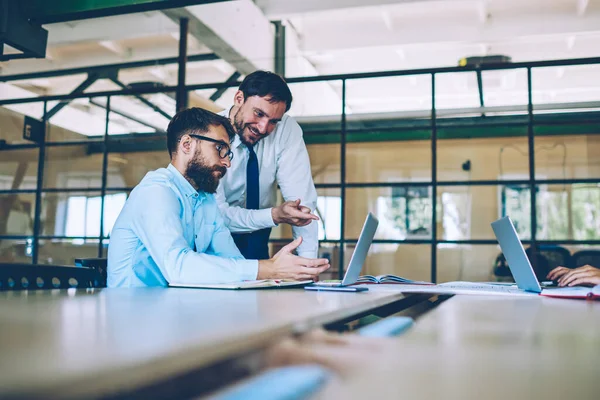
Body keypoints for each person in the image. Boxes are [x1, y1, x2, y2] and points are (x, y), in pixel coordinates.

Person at [107, 107, 329, 288]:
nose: (227, 162)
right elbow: (178, 267)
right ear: (187, 144)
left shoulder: (206, 200)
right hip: (134, 320)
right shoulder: (156, 191)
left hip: (176, 314)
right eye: (220, 149)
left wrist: (281, 277)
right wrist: (268, 267)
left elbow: (232, 261)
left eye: (228, 152)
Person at [215, 71, 319, 261]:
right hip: (214, 242)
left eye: (273, 121)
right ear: (239, 98)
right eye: (258, 114)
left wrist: (308, 261)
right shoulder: (208, 134)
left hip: (258, 239)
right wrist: (275, 215)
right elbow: (218, 216)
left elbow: (302, 203)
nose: (263, 128)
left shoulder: (286, 130)